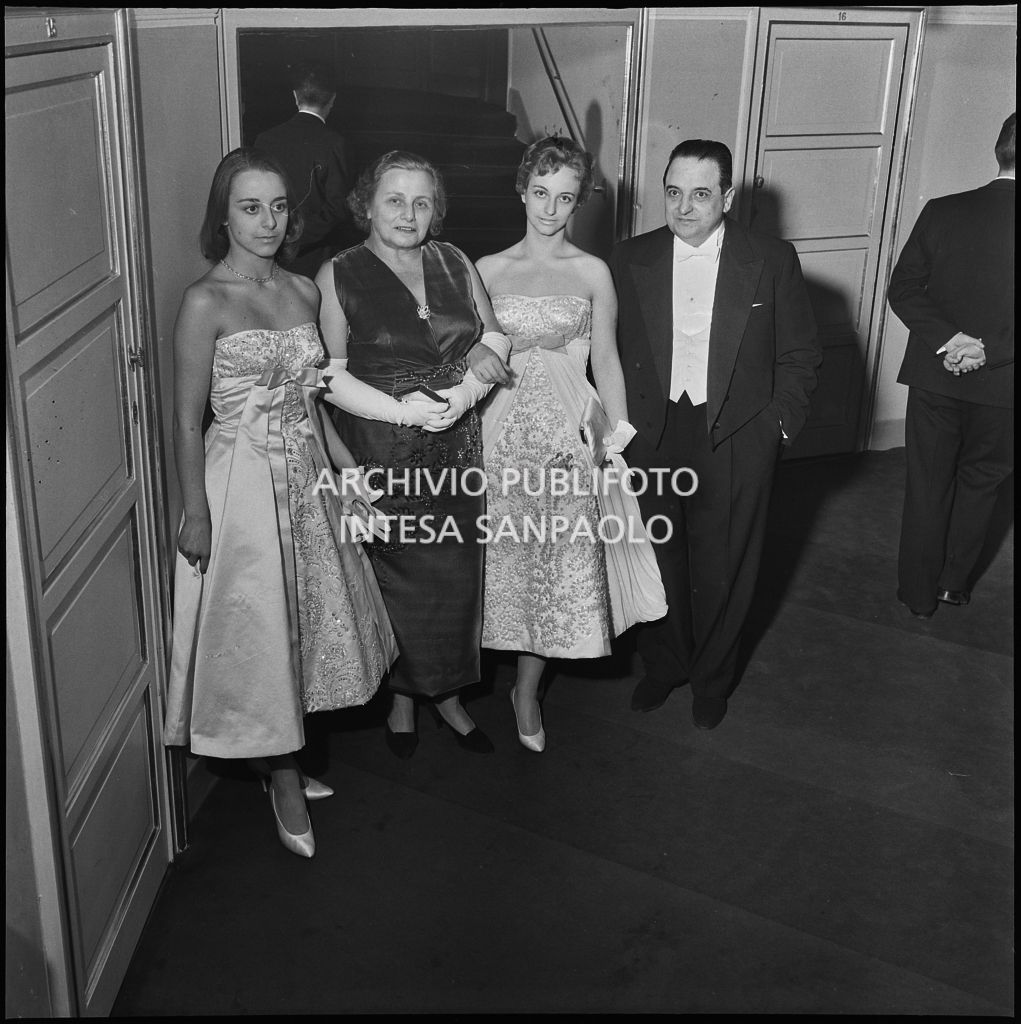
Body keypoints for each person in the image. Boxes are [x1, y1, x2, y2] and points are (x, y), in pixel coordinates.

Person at [164, 148, 397, 858]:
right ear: (223, 216)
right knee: (258, 627)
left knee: (301, 620)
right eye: (250, 207)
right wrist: (194, 511)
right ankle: (283, 778)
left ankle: (281, 761)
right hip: (236, 481)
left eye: (278, 206)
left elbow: (311, 402)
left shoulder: (303, 291)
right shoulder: (205, 300)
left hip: (303, 472)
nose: (267, 221)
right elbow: (184, 420)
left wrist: (346, 468)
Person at [609, 138, 820, 730]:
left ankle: (713, 676)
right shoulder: (630, 257)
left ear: (727, 197)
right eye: (673, 193)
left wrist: (776, 426)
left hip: (737, 433)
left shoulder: (771, 258)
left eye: (701, 194)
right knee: (658, 554)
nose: (684, 208)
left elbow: (802, 353)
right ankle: (667, 662)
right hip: (651, 431)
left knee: (725, 563)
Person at [316, 150, 513, 759]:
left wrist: (467, 392)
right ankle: (402, 697)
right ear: (367, 205)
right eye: (394, 200)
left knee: (455, 577)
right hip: (380, 447)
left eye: (421, 201)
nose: (408, 212)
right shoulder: (338, 272)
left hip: (455, 445)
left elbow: (495, 334)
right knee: (395, 577)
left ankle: (449, 696)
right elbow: (330, 375)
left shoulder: (454, 260)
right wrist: (404, 412)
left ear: (437, 209)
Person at [476, 136, 666, 752]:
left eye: (564, 198)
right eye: (539, 193)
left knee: (558, 567)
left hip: (565, 433)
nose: (549, 210)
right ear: (521, 190)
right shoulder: (486, 271)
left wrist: (613, 439)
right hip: (496, 436)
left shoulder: (591, 271)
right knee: (497, 563)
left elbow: (607, 360)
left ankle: (526, 690)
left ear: (579, 201)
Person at [888, 112, 1015, 619]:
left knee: (927, 483)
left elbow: (902, 289)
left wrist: (951, 340)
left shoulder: (942, 211)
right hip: (1004, 386)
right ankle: (953, 585)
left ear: (998, 150)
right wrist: (990, 351)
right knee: (982, 481)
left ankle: (917, 594)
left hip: (935, 376)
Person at [254, 60, 357, 278]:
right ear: (333, 99)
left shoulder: (265, 140)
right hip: (315, 260)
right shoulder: (334, 143)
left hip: (269, 253)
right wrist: (296, 237)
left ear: (295, 96)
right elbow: (338, 207)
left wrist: (279, 236)